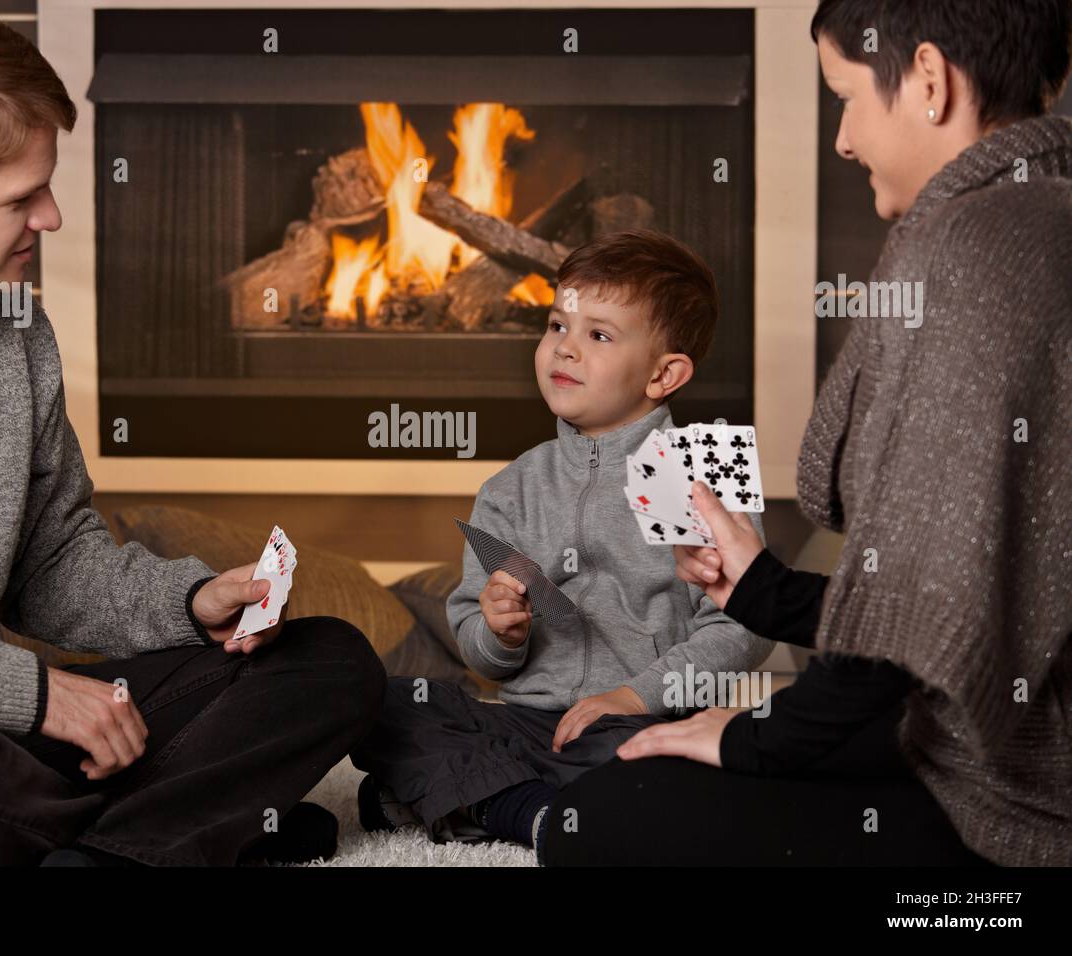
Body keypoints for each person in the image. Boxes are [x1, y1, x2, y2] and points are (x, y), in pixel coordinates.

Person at [0, 0, 385, 867]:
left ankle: (104, 847)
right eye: (23, 196)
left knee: (329, 664)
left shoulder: (11, 326)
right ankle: (182, 831)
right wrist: (24, 694)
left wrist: (184, 605)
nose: (51, 217)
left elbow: (53, 562)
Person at [542, 0, 1072, 867]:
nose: (843, 139)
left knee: (602, 821)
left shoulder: (977, 245)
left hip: (1023, 795)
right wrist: (765, 592)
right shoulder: (1045, 214)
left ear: (930, 82)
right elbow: (954, 613)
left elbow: (904, 650)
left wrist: (758, 739)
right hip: (1005, 725)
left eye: (846, 95)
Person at [351, 230, 775, 860]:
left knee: (691, 772)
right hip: (525, 724)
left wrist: (634, 696)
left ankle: (479, 800)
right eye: (556, 325)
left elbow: (745, 628)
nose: (564, 349)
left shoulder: (700, 474)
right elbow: (477, 646)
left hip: (640, 724)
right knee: (387, 704)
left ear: (665, 373)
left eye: (598, 335)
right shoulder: (512, 486)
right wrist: (500, 633)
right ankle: (535, 811)